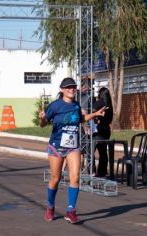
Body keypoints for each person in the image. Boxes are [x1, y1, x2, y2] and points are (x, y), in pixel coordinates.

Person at [39, 77, 107, 224]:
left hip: (73, 147)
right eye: (68, 87)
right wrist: (43, 118)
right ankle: (50, 206)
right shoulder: (55, 106)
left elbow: (81, 119)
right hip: (56, 147)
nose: (72, 89)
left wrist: (95, 114)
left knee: (75, 177)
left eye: (73, 87)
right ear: (62, 90)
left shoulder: (76, 105)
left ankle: (71, 211)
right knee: (55, 179)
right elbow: (43, 125)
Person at [93, 87, 113, 177]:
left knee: (90, 151)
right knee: (103, 152)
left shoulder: (99, 103)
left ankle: (92, 171)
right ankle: (102, 172)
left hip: (98, 130)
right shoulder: (110, 105)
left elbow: (92, 111)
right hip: (107, 130)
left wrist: (95, 118)